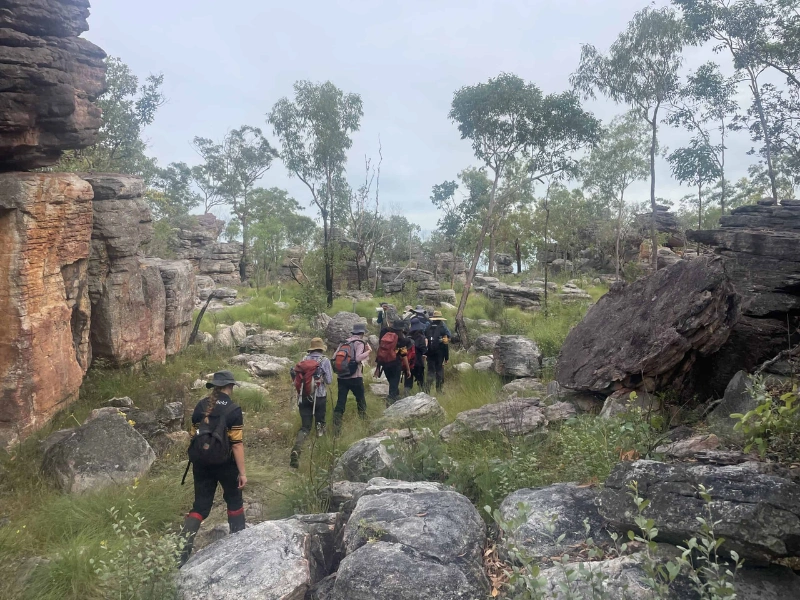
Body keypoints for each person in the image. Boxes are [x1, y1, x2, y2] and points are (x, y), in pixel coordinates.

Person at [180, 370, 246, 565]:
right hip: (226, 464)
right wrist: (242, 472)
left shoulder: (201, 406)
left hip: (201, 463)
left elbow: (193, 436)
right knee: (234, 501)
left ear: (215, 386)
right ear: (230, 387)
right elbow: (236, 444)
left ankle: (180, 553)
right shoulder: (233, 409)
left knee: (200, 506)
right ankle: (240, 547)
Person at [289, 338, 333, 468]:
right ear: (321, 348)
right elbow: (329, 380)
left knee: (305, 427)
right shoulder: (324, 361)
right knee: (320, 424)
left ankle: (296, 450)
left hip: (304, 396)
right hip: (319, 396)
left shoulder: (304, 358)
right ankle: (322, 455)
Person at [333, 323, 372, 434]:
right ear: (362, 333)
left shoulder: (344, 342)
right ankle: (364, 423)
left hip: (342, 377)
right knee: (360, 400)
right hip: (355, 377)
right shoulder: (360, 343)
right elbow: (358, 358)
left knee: (341, 401)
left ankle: (336, 429)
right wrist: (368, 351)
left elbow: (334, 357)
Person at [378, 319, 413, 404]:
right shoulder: (401, 338)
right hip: (395, 364)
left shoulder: (384, 333)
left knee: (392, 384)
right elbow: (403, 355)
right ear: (401, 329)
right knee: (393, 386)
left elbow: (380, 348)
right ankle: (390, 404)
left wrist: (378, 366)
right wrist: (408, 369)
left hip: (385, 363)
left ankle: (395, 400)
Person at [425, 311, 451, 393]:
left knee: (430, 370)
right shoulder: (443, 328)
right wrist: (446, 357)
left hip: (429, 352)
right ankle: (439, 390)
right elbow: (446, 343)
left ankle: (427, 389)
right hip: (440, 353)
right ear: (440, 319)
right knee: (439, 370)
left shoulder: (428, 327)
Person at [404, 319, 428, 394]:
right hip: (418, 363)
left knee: (408, 383)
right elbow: (424, 350)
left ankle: (406, 397)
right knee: (421, 381)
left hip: (408, 363)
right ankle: (424, 397)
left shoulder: (407, 336)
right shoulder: (421, 337)